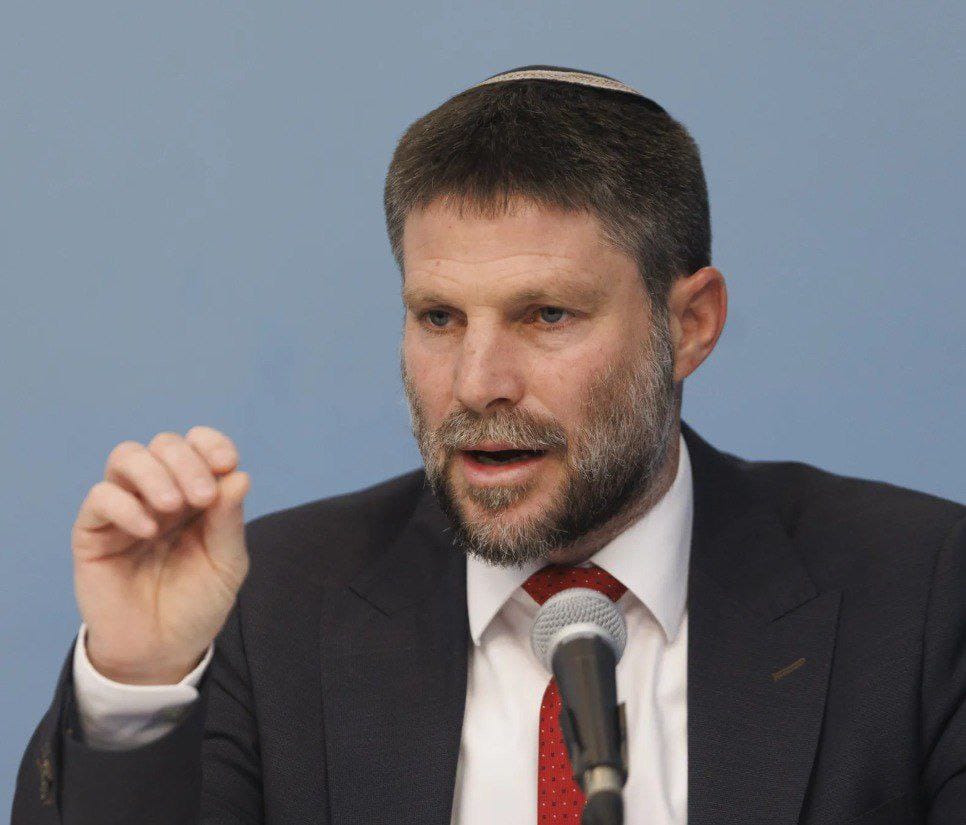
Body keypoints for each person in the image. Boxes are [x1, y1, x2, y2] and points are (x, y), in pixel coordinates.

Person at [12, 65, 966, 825]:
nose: (476, 383)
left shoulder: (923, 593)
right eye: (438, 317)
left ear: (691, 324)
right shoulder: (270, 607)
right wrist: (139, 685)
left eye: (546, 315)